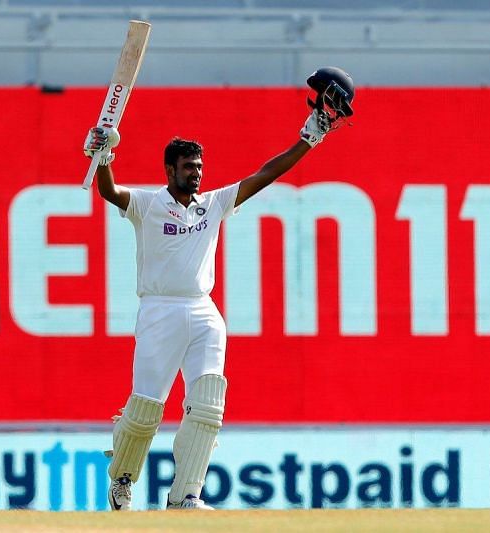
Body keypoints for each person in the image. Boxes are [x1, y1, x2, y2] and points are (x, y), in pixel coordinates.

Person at [83, 100, 341, 511]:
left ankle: (185, 495)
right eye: (189, 166)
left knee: (207, 403)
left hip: (203, 310)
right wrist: (103, 156)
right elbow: (109, 191)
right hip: (159, 310)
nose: (197, 172)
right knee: (147, 405)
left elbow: (265, 174)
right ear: (170, 170)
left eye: (200, 165)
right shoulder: (148, 205)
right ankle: (123, 480)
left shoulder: (213, 204)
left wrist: (309, 137)